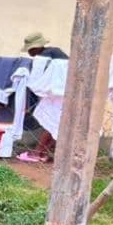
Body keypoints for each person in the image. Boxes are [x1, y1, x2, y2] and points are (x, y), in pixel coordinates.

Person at [19, 33, 69, 163]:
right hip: (65, 91)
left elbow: (35, 81)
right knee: (57, 123)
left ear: (36, 47)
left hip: (56, 93)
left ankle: (36, 153)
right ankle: (43, 152)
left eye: (29, 48)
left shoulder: (43, 56)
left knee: (50, 121)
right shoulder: (55, 51)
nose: (29, 51)